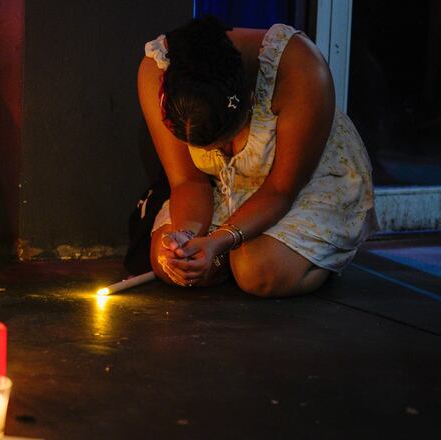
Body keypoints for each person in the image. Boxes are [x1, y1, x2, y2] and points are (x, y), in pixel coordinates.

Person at [137, 17, 377, 297]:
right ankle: (231, 257)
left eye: (223, 143)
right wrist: (187, 240)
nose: (215, 155)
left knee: (255, 271)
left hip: (300, 183)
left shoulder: (300, 67)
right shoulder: (157, 72)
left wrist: (218, 241)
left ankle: (316, 259)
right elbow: (189, 181)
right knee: (167, 262)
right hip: (227, 189)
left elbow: (281, 190)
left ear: (251, 98)